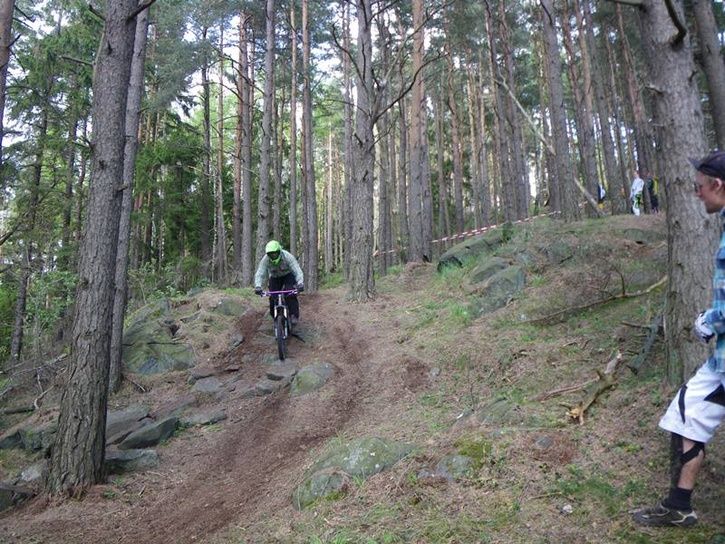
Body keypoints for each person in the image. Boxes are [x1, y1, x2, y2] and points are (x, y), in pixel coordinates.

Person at [632, 150, 725, 528]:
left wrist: (710, 321)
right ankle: (679, 506)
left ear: (718, 184)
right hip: (721, 362)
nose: (696, 193)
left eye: (700, 187)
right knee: (688, 414)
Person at [254, 240, 304, 325]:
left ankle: (293, 315)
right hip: (275, 277)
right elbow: (260, 272)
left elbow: (297, 270)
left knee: (290, 293)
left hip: (288, 276)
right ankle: (275, 316)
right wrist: (258, 286)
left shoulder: (287, 256)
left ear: (279, 251)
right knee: (272, 297)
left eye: (275, 253)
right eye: (271, 254)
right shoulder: (266, 259)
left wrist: (300, 283)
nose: (273, 255)